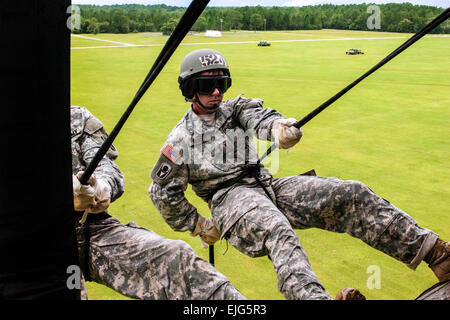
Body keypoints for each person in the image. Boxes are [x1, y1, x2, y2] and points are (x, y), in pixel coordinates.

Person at [148, 48, 449, 300]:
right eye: (206, 86)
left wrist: (279, 129)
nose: (216, 92)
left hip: (267, 186)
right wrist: (198, 224)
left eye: (221, 83)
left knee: (349, 193)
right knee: (277, 229)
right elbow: (161, 192)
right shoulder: (179, 141)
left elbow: (259, 117)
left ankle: (437, 255)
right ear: (190, 90)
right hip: (230, 200)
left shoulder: (234, 108)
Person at [70, 104, 246, 300]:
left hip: (92, 228)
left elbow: (106, 167)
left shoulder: (76, 117)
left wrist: (99, 189)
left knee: (177, 257)